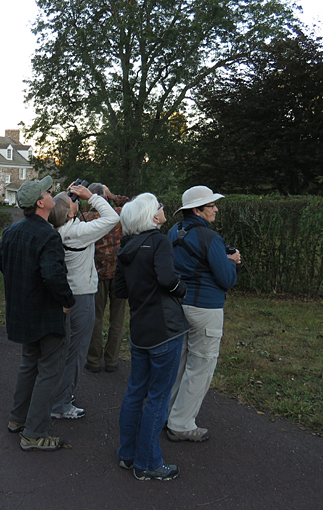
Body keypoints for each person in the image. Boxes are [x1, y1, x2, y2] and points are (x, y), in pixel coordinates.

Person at [0, 175, 76, 452]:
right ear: (41, 203)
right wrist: (67, 301)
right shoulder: (48, 235)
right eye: (48, 192)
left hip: (24, 311)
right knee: (50, 371)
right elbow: (53, 275)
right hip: (46, 314)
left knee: (29, 364)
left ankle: (18, 419)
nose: (53, 194)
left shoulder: (12, 231)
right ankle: (34, 433)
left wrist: (23, 282)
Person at [114, 193, 189, 481]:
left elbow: (120, 290)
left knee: (136, 391)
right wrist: (182, 290)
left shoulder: (127, 246)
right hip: (165, 329)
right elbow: (168, 278)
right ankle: (147, 463)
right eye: (159, 205)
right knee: (158, 397)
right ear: (152, 216)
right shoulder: (159, 241)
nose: (162, 208)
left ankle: (127, 454)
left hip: (140, 330)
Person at [166, 186, 241, 442]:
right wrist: (232, 260)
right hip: (205, 309)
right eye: (211, 206)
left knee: (179, 364)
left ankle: (168, 414)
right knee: (200, 366)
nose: (216, 209)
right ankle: (181, 424)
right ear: (197, 210)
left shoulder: (172, 232)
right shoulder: (211, 238)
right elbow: (226, 279)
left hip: (179, 305)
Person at [47, 182, 119, 419]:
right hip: (81, 297)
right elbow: (111, 218)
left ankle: (58, 395)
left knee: (63, 351)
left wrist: (67, 199)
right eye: (72, 202)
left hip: (67, 295)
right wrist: (91, 197)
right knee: (76, 353)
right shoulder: (76, 233)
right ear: (69, 213)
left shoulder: (61, 228)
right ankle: (61, 404)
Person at [83, 183, 129, 374]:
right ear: (105, 196)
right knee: (117, 318)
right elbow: (135, 203)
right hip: (120, 272)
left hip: (97, 273)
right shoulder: (119, 213)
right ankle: (111, 360)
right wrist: (113, 195)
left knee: (96, 317)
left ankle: (93, 360)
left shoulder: (86, 218)